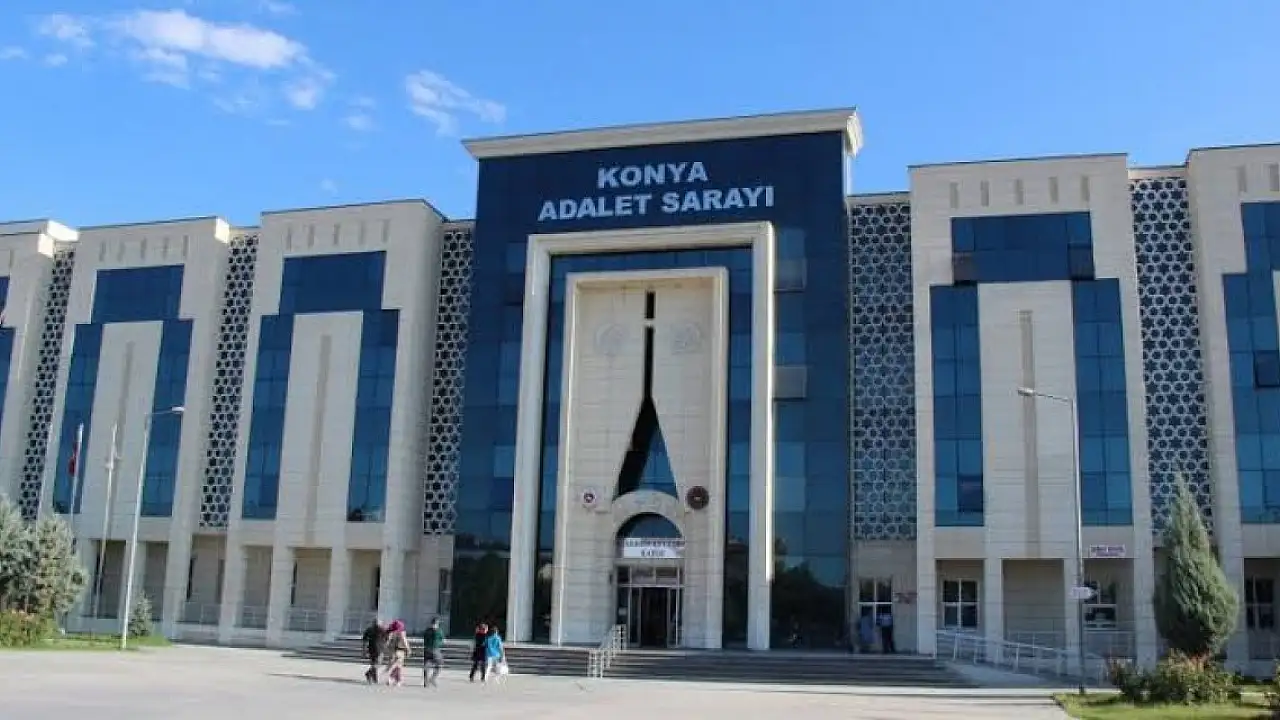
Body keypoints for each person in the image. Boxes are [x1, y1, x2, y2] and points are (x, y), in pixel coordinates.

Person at [383, 619, 411, 686]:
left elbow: (387, 643)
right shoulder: (401, 632)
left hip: (392, 651)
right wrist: (408, 649)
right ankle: (390, 678)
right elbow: (404, 641)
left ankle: (398, 680)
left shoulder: (390, 632)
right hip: (400, 650)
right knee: (398, 666)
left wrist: (387, 649)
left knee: (398, 666)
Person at [422, 617, 444, 688]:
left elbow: (424, 638)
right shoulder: (438, 631)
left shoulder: (427, 630)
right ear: (437, 623)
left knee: (427, 665)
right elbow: (442, 640)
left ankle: (426, 682)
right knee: (440, 665)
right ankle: (432, 678)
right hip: (435, 649)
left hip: (427, 649)